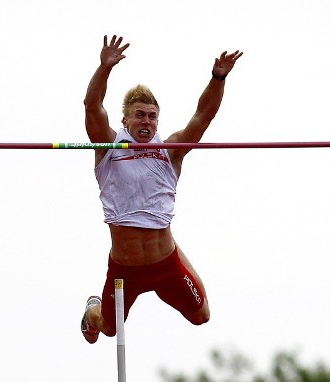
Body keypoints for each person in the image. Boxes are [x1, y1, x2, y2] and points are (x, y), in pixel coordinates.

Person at [81, 35, 243, 343]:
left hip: (165, 264)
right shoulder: (108, 146)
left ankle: (175, 248)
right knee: (108, 330)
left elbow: (202, 116)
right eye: (139, 115)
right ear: (125, 120)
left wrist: (217, 78)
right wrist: (105, 68)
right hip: (124, 270)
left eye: (152, 116)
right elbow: (92, 105)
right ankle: (93, 309)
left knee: (202, 316)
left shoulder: (170, 151)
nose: (146, 121)